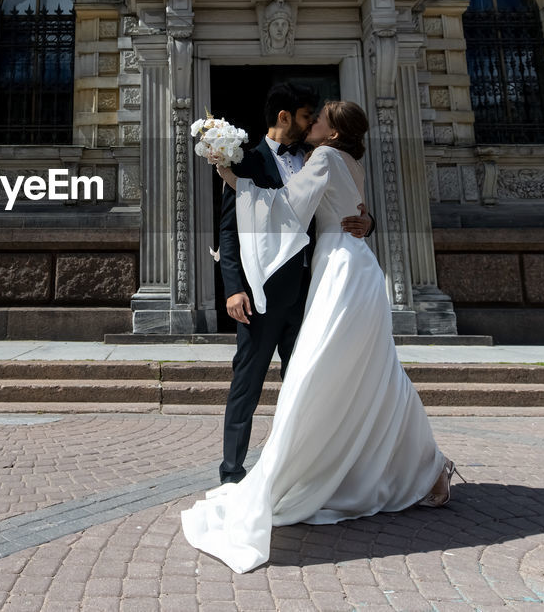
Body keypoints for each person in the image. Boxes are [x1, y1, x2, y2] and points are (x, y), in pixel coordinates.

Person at [184, 100, 457, 574]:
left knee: (318, 376)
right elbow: (351, 210)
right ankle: (424, 468)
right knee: (373, 374)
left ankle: (316, 472)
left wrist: (228, 174)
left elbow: (288, 208)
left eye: (322, 119)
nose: (314, 123)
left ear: (332, 134)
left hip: (336, 273)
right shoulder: (351, 160)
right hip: (358, 270)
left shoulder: (326, 158)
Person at [216, 82, 372, 486]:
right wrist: (233, 288)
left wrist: (367, 222)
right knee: (247, 383)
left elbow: (346, 203)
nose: (311, 123)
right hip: (261, 294)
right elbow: (230, 232)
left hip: (314, 290)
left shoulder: (318, 156)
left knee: (307, 383)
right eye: (307, 116)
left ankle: (303, 470)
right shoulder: (246, 162)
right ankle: (232, 474)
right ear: (285, 117)